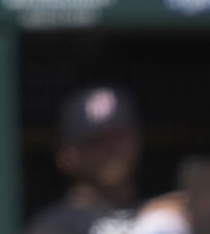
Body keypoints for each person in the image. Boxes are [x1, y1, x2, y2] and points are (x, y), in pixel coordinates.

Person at [23, 85, 142, 234]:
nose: (111, 150)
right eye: (97, 141)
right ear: (67, 154)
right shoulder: (51, 226)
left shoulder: (162, 215)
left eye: (118, 137)